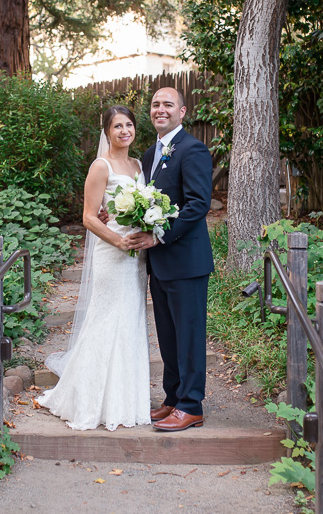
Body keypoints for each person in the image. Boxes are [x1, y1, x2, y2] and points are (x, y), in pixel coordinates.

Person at [37, 106, 152, 431]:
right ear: (107, 131)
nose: (124, 131)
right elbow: (89, 216)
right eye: (117, 126)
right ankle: (89, 399)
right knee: (105, 319)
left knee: (130, 320)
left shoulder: (138, 165)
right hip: (112, 252)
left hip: (136, 256)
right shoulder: (100, 166)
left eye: (129, 124)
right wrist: (117, 240)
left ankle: (124, 400)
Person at [125, 87, 214, 432]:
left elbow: (197, 204)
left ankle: (191, 405)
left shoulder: (193, 150)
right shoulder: (150, 154)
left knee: (189, 334)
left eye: (167, 105)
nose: (160, 110)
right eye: (155, 105)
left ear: (182, 111)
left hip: (186, 260)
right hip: (159, 262)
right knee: (168, 335)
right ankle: (173, 397)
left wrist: (159, 235)